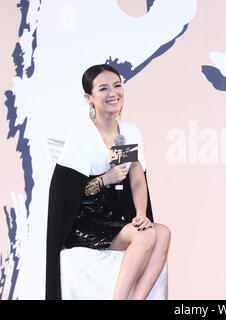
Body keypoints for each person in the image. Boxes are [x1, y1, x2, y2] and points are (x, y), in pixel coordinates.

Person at [46, 64, 171, 300]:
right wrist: (104, 180)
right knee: (145, 236)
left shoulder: (127, 131)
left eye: (117, 85)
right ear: (89, 98)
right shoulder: (82, 134)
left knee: (161, 232)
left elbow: (136, 177)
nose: (113, 93)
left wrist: (142, 213)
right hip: (83, 221)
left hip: (113, 218)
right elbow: (68, 193)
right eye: (103, 88)